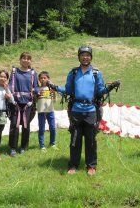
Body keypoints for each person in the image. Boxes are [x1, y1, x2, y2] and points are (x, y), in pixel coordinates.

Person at [48, 46, 120, 175]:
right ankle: (73, 165)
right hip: (76, 110)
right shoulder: (73, 73)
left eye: (88, 55)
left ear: (91, 57)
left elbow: (100, 92)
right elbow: (68, 90)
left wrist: (110, 87)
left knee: (91, 140)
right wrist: (54, 87)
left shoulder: (96, 73)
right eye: (83, 55)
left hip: (91, 111)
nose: (85, 57)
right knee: (75, 139)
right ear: (79, 57)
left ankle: (91, 165)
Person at [8, 52, 39, 156]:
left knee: (26, 125)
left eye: (28, 58)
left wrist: (37, 90)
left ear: (30, 61)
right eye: (23, 58)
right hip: (15, 103)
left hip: (28, 104)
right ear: (20, 59)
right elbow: (10, 85)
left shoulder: (33, 73)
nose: (26, 60)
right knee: (14, 125)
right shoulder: (14, 72)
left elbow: (36, 87)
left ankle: (23, 147)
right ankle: (12, 148)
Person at [36, 71, 58, 150]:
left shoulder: (51, 88)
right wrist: (37, 94)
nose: (43, 79)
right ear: (39, 79)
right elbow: (35, 100)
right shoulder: (37, 89)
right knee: (41, 128)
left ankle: (52, 143)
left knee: (52, 128)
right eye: (41, 78)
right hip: (41, 111)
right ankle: (42, 145)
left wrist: (53, 93)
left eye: (45, 78)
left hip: (50, 111)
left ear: (48, 79)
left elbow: (55, 100)